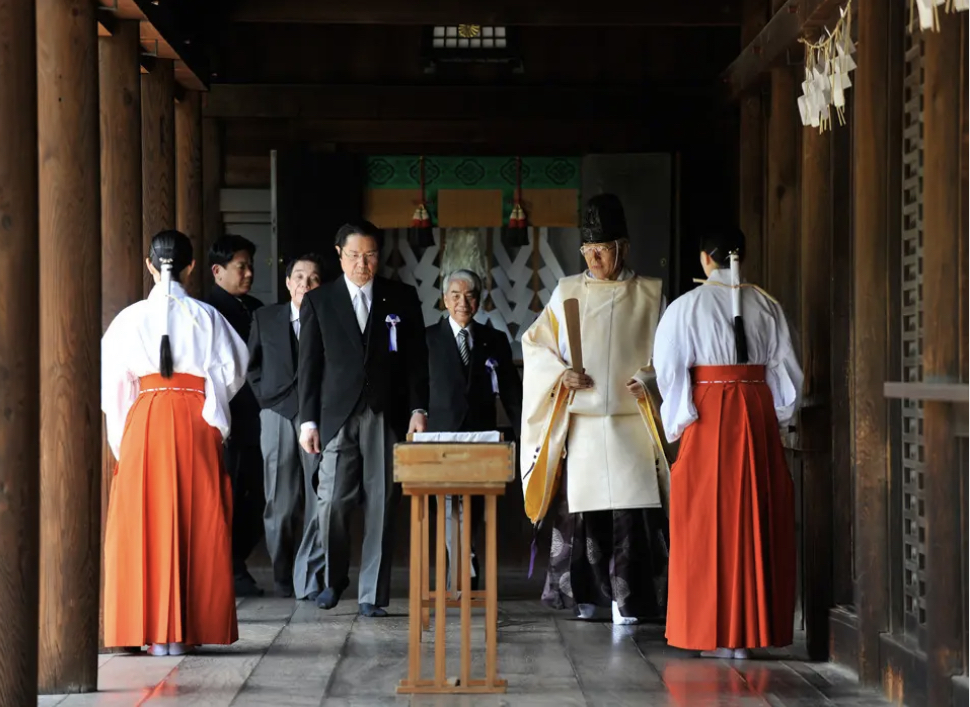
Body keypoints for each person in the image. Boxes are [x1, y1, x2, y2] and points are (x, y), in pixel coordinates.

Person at [521, 194, 670, 626]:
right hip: (583, 424)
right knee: (583, 514)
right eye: (587, 251)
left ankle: (633, 601)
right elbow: (535, 346)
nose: (595, 258)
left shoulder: (649, 294)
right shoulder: (567, 291)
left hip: (631, 424)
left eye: (602, 250)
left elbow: (670, 355)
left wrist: (648, 380)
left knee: (631, 514)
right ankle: (584, 597)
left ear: (622, 247)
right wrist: (561, 375)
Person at [653, 226, 802, 658]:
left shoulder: (686, 307)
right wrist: (775, 414)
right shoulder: (767, 304)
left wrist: (680, 417)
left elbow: (669, 369)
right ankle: (751, 631)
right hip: (754, 408)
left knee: (704, 518)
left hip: (710, 411)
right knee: (757, 512)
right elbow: (786, 371)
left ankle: (712, 630)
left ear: (705, 259)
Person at [102, 229, 248, 657]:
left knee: (145, 516)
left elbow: (113, 387)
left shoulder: (129, 319)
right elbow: (233, 372)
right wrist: (212, 412)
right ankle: (188, 628)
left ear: (150, 265)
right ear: (190, 266)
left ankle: (148, 629)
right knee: (198, 513)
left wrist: (123, 436)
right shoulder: (207, 316)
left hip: (146, 414)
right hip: (195, 415)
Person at [298, 220, 430, 617]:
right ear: (339, 255)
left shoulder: (401, 297)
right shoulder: (320, 301)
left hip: (384, 413)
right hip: (336, 415)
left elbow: (415, 361)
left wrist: (418, 409)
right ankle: (334, 578)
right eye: (354, 255)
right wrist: (308, 421)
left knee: (382, 504)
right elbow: (309, 367)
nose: (362, 263)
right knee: (332, 502)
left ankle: (373, 593)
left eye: (370, 255)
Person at [426, 269, 523, 590]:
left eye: (469, 296)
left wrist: (523, 432)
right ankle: (461, 563)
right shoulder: (427, 338)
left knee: (475, 503)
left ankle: (465, 554)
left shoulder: (493, 339)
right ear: (444, 300)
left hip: (481, 436)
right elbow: (414, 388)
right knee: (448, 501)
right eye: (455, 295)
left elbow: (511, 391)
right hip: (440, 435)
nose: (462, 302)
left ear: (479, 301)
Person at [248, 254, 326, 599]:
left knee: (319, 497)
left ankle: (312, 576)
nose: (305, 285)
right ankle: (282, 576)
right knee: (279, 500)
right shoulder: (265, 317)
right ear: (287, 282)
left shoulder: (330, 317)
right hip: (276, 414)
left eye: (313, 279)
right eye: (298, 277)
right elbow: (251, 368)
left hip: (320, 415)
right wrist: (267, 398)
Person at [207, 234, 266, 597]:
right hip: (225, 417)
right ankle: (229, 566)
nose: (248, 273)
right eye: (240, 267)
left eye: (250, 266)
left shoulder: (257, 307)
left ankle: (236, 560)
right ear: (217, 271)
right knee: (228, 492)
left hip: (258, 417)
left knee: (259, 495)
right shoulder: (207, 311)